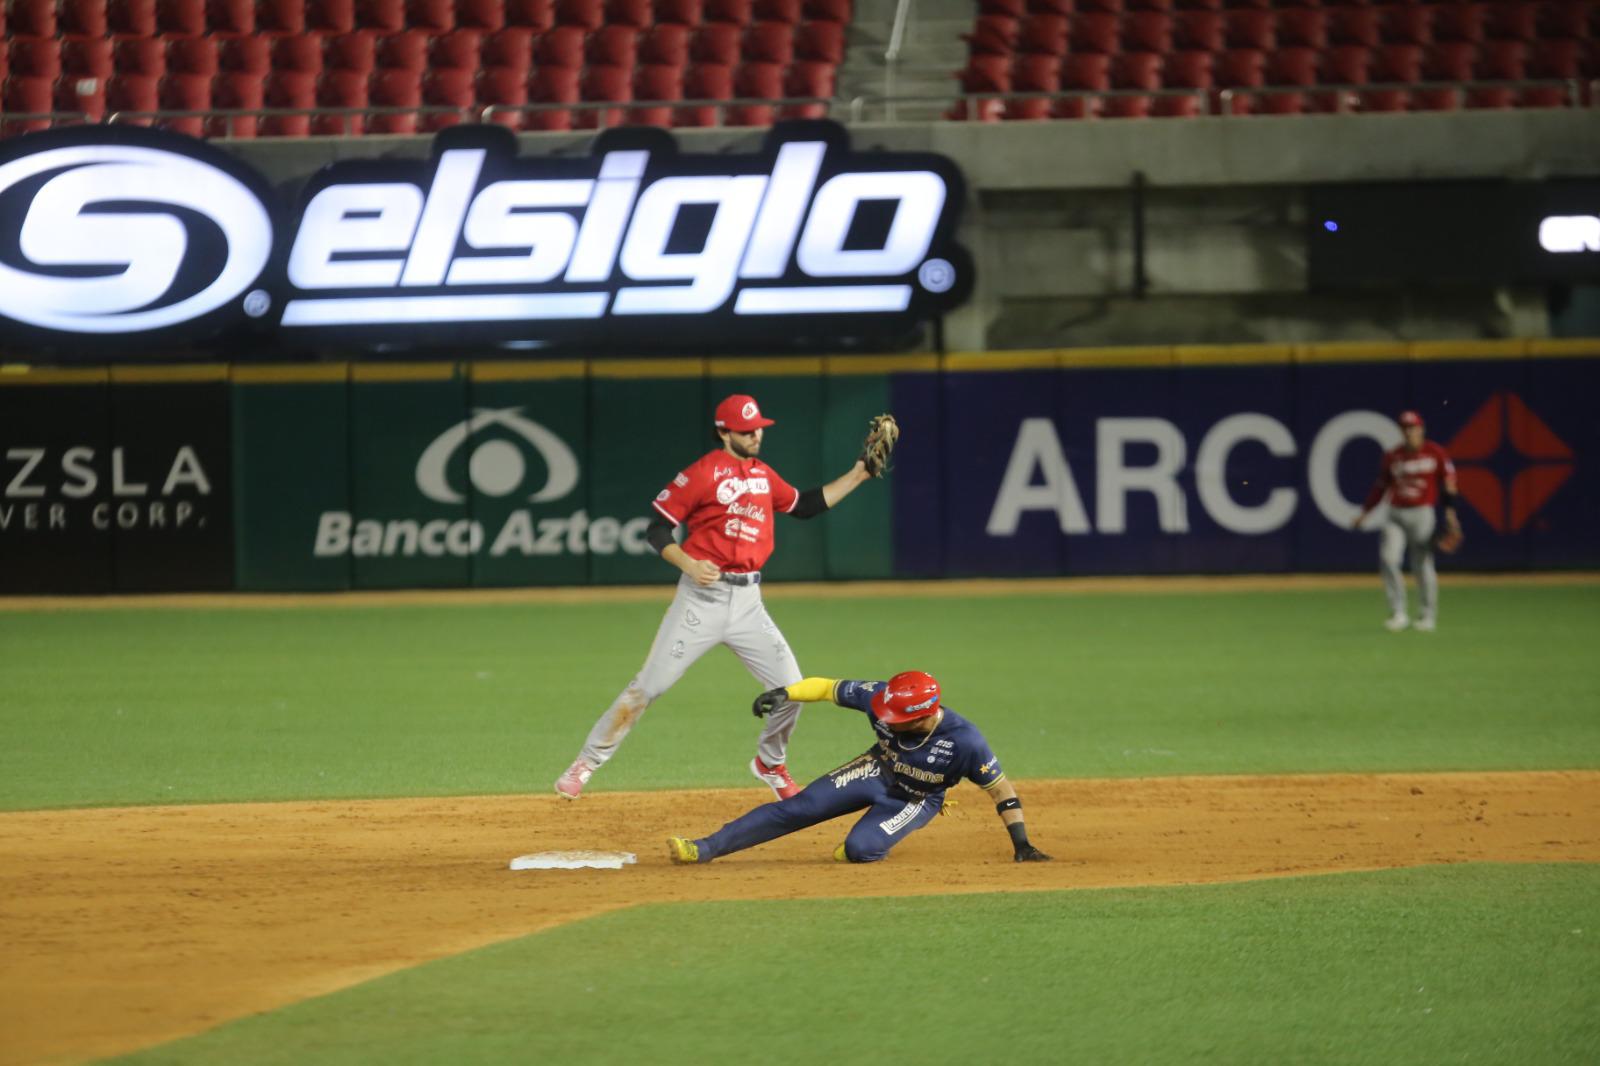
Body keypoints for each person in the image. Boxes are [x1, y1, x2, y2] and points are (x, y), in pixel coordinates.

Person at [554, 394, 883, 801]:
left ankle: (769, 763)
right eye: (747, 430)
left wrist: (859, 474)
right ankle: (586, 762)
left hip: (749, 603)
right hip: (701, 600)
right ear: (724, 432)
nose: (756, 434)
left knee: (792, 689)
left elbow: (804, 505)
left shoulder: (763, 474)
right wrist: (687, 563)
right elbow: (656, 530)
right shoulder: (701, 474)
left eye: (759, 427)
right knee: (649, 686)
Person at [666, 671, 1052, 865]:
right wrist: (785, 692)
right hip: (876, 769)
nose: (885, 717)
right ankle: (704, 848)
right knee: (798, 808)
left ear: (924, 715)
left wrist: (1022, 845)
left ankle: (862, 843)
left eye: (896, 717)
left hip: (915, 799)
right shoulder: (881, 697)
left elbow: (1000, 789)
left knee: (860, 849)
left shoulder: (965, 741)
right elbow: (827, 687)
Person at [1350, 410, 1460, 632]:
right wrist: (1365, 512)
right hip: (1395, 513)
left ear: (1421, 429)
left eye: (1413, 427)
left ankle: (1427, 615)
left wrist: (1450, 513)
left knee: (1422, 565)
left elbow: (1449, 484)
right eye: (1405, 428)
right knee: (1388, 559)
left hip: (1422, 514)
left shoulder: (1436, 453)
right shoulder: (1393, 456)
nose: (1409, 431)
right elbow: (1381, 487)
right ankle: (1398, 613)